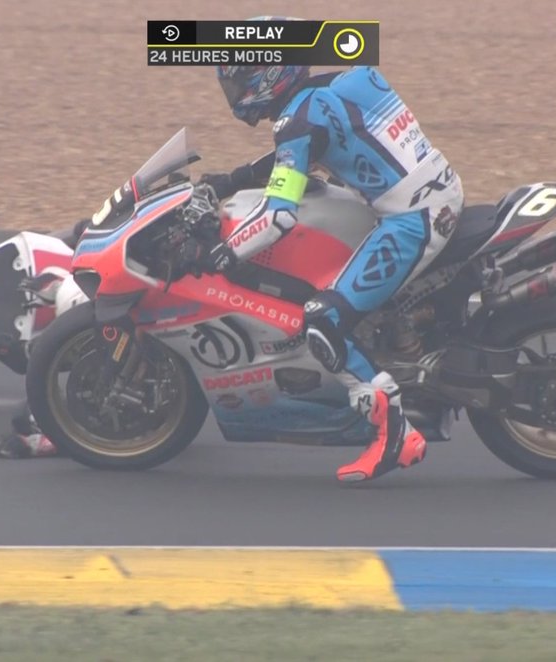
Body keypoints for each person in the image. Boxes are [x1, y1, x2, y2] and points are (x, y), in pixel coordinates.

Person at [188, 60, 465, 482]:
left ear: (267, 76)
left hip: (414, 221)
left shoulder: (298, 120)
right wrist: (234, 179)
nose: (235, 94)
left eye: (239, 81)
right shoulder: (339, 82)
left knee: (322, 319)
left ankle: (397, 435)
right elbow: (301, 151)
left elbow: (278, 217)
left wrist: (223, 254)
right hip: (436, 193)